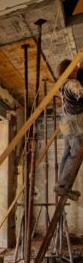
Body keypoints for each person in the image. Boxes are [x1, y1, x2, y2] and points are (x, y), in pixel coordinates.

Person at [54, 59, 83, 201]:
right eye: (74, 68)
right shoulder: (73, 84)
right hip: (74, 123)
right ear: (69, 69)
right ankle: (63, 185)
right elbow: (81, 93)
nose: (77, 69)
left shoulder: (62, 85)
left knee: (67, 152)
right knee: (76, 154)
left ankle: (63, 186)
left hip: (66, 121)